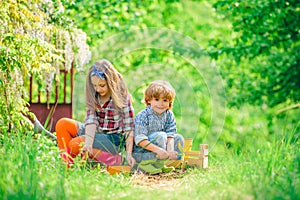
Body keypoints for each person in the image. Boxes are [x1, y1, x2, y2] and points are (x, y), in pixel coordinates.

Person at [56, 59, 136, 167]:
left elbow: (129, 128)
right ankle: (66, 167)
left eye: (102, 85)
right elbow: (91, 120)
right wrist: (88, 143)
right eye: (94, 85)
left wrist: (129, 154)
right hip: (96, 132)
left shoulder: (122, 97)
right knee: (63, 124)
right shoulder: (94, 95)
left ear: (111, 82)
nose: (97, 89)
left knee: (75, 144)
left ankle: (115, 160)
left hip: (114, 139)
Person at [133, 80, 184, 164]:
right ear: (149, 100)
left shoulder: (169, 115)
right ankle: (157, 164)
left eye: (165, 100)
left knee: (178, 138)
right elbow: (140, 140)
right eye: (156, 99)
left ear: (169, 102)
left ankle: (175, 163)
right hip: (143, 152)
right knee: (161, 135)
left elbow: (170, 135)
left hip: (162, 148)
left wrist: (170, 150)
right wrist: (159, 150)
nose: (161, 104)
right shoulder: (143, 116)